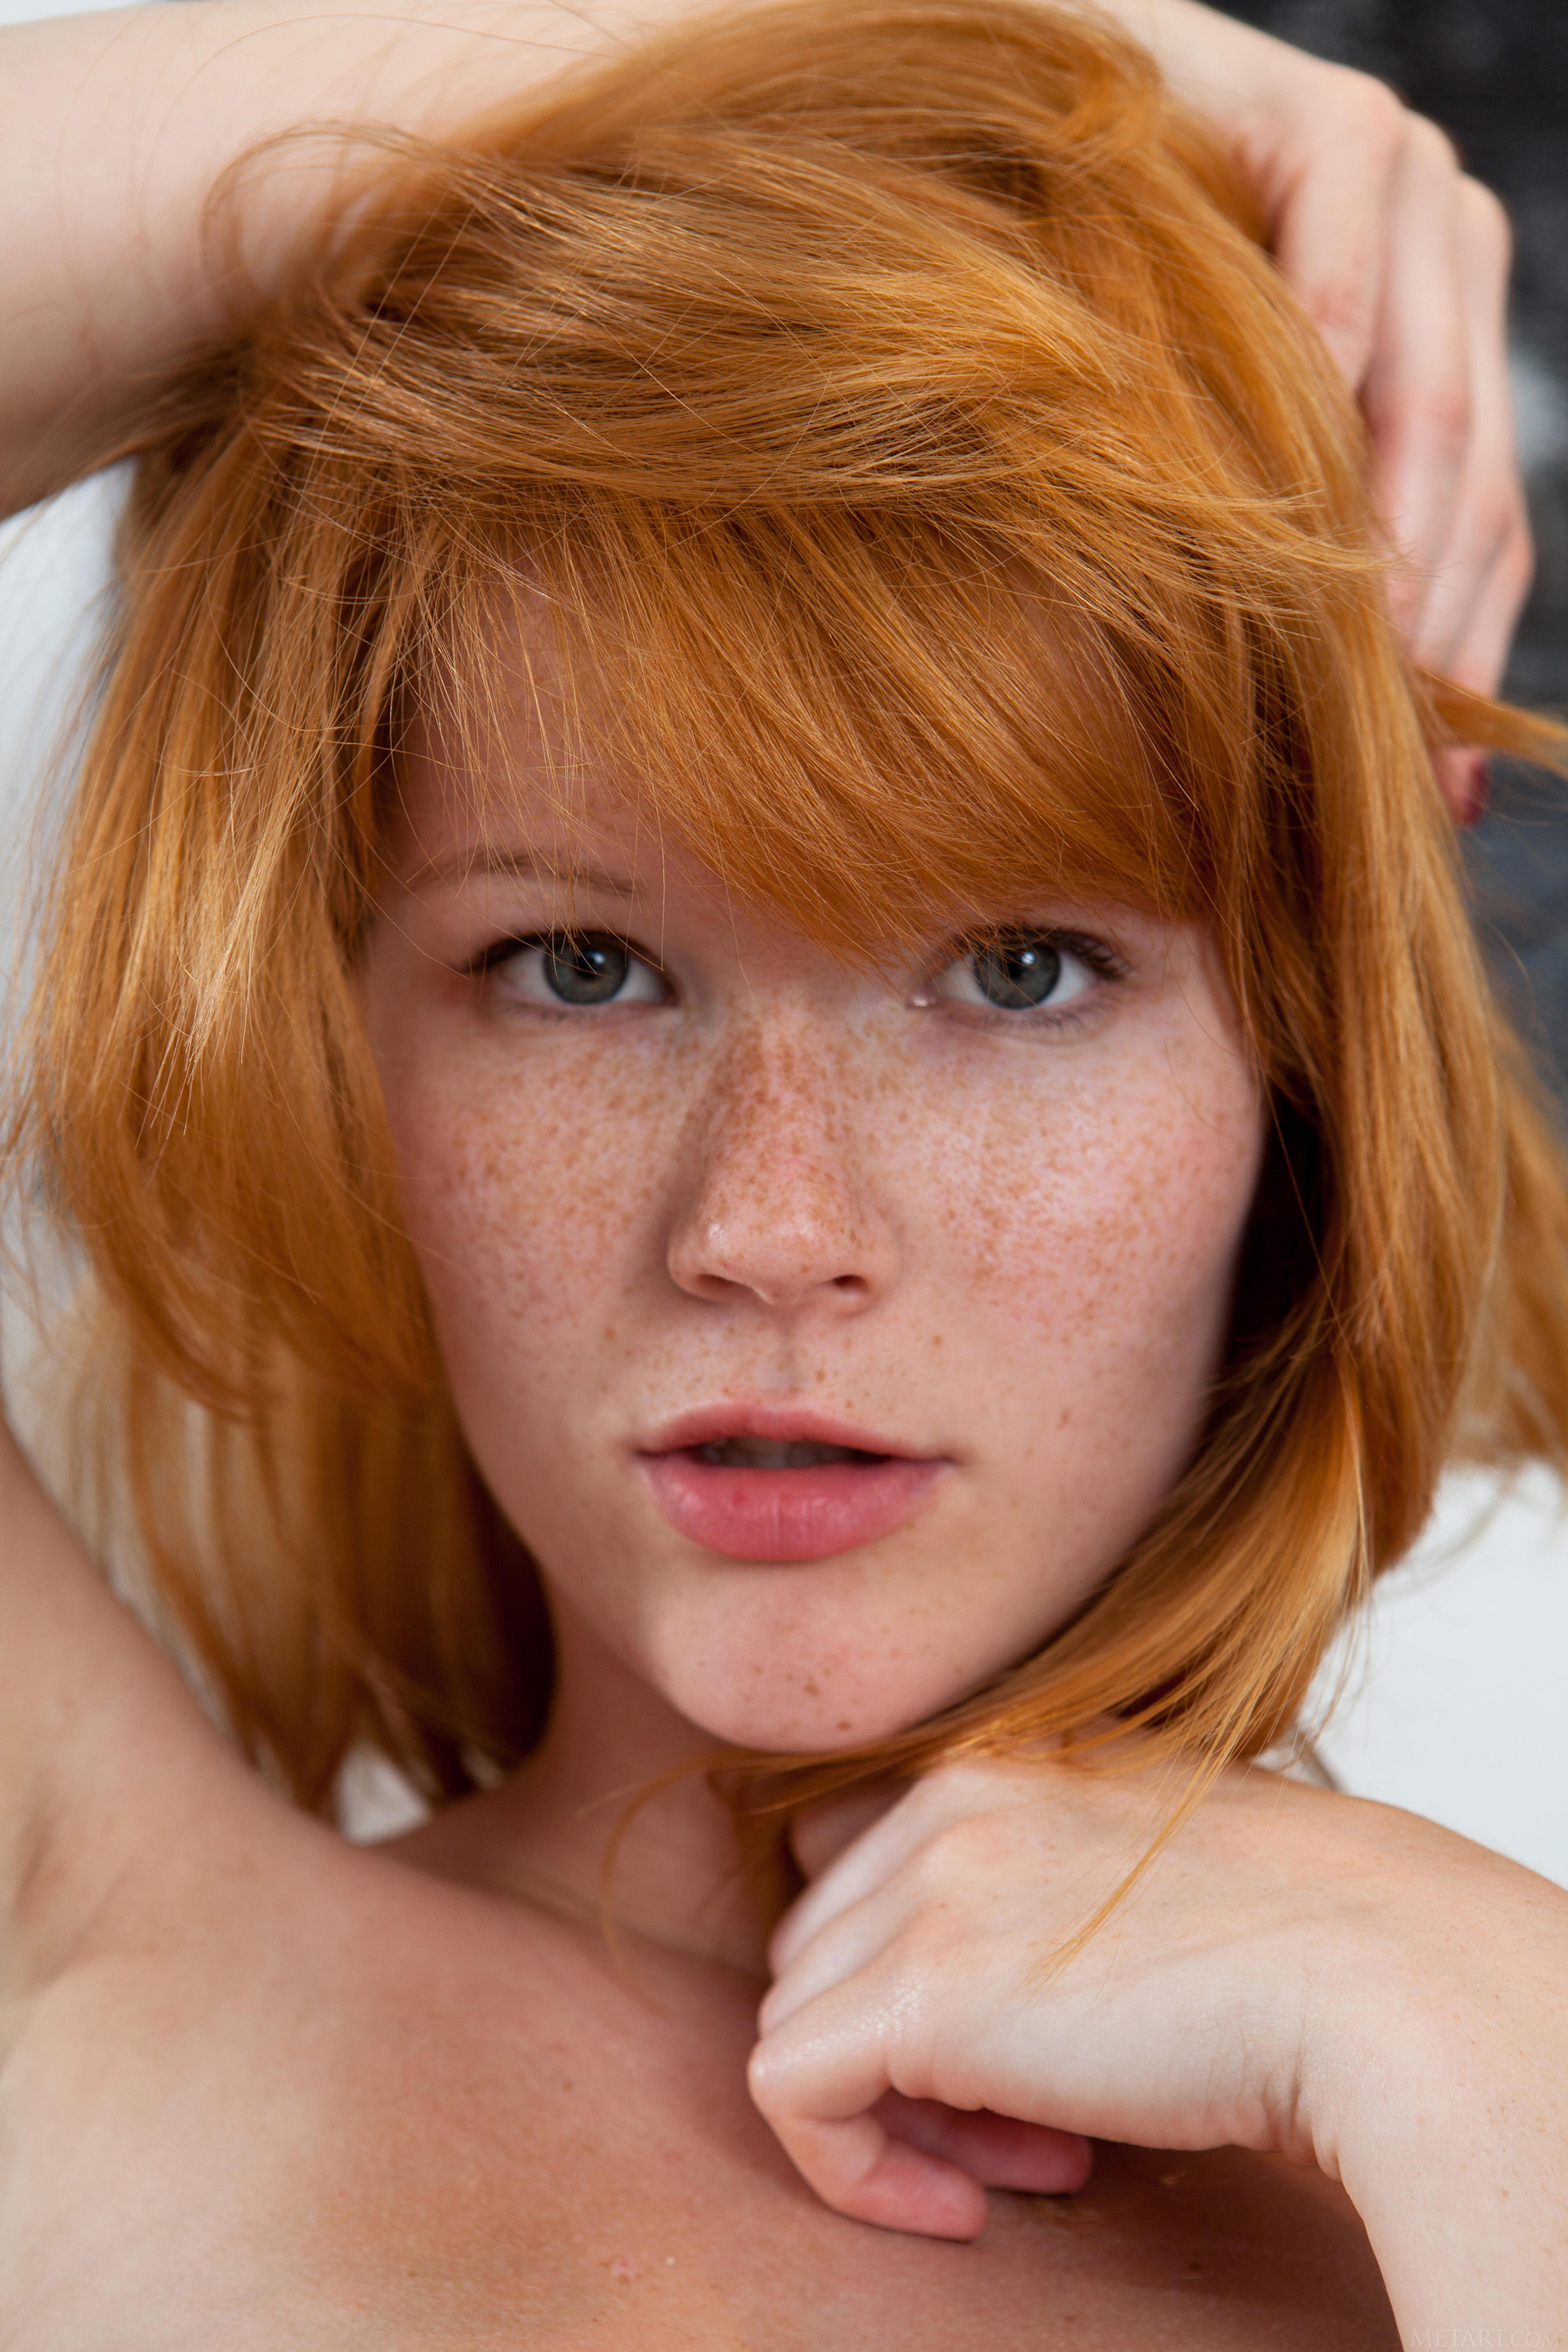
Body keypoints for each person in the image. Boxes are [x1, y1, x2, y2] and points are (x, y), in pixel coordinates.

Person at [1, 0, 1564, 2343]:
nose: (770, 1232)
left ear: (1302, 1065)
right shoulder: (79, 1970)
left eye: (1022, 971)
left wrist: (1499, 2057)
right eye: (580, 968)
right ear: (351, 1044)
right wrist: (984, 35)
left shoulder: (1492, 2105)